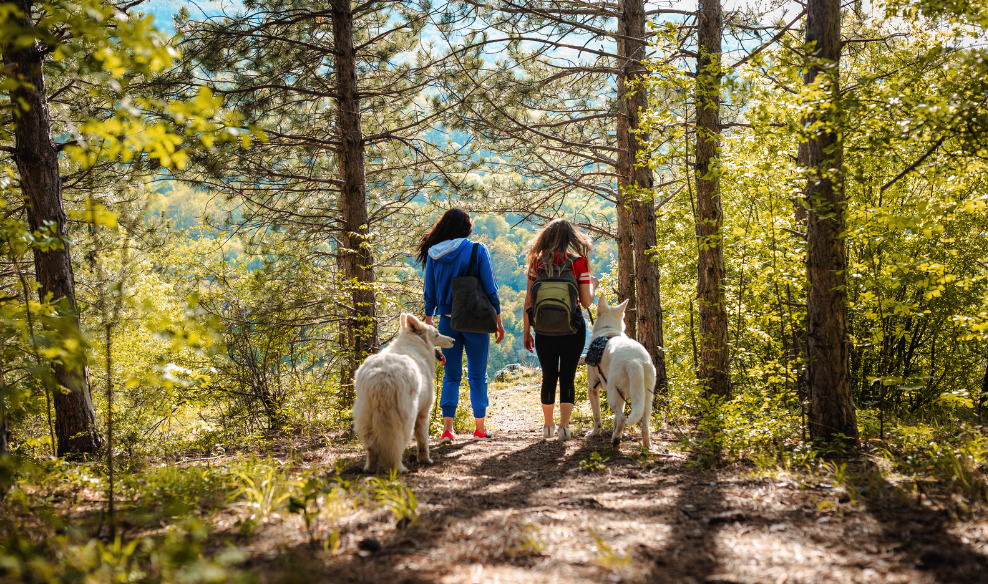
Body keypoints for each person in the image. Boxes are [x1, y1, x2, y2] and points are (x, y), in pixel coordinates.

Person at [418, 208, 505, 443]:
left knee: (451, 375)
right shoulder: (477, 249)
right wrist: (498, 319)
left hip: (447, 321)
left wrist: (429, 326)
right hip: (476, 320)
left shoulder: (434, 253)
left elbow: (430, 294)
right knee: (478, 375)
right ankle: (479, 428)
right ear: (466, 228)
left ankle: (447, 430)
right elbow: (490, 288)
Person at [523, 219, 597, 441]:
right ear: (570, 238)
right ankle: (564, 428)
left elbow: (529, 301)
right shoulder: (578, 263)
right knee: (567, 376)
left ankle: (547, 426)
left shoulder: (537, 263)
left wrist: (527, 332)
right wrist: (593, 284)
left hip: (543, 329)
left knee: (548, 376)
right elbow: (585, 302)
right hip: (572, 328)